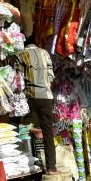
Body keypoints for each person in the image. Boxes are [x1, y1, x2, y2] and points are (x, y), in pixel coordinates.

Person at [19, 37, 57, 173]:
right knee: (47, 132)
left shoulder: (21, 54)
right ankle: (51, 166)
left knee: (21, 127)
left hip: (29, 96)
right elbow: (51, 75)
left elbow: (18, 79)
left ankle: (23, 164)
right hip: (46, 96)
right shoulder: (45, 53)